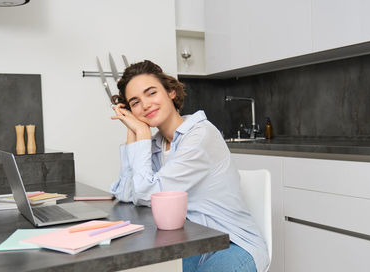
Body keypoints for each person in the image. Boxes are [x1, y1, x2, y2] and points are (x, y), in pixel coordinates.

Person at [109, 60, 269, 272]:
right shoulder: (155, 145)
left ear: (171, 92)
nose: (145, 105)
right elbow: (125, 192)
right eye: (135, 102)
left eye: (151, 93)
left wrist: (143, 136)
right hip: (191, 244)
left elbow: (145, 193)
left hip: (233, 244)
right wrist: (135, 135)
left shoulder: (199, 136)